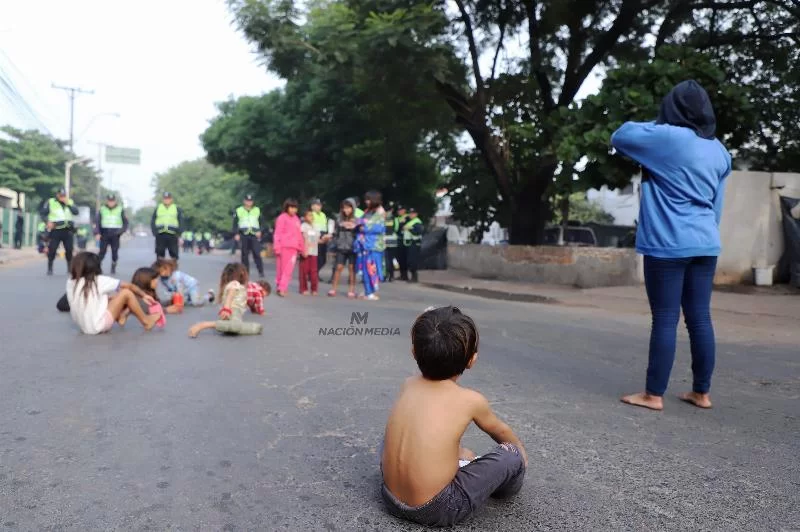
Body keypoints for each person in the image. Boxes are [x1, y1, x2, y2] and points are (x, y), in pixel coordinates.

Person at [611, 80, 732, 411]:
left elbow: (620, 135)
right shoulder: (720, 150)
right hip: (706, 242)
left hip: (667, 243)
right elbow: (716, 206)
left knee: (665, 317)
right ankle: (702, 392)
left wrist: (662, 122)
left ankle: (653, 395)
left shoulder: (666, 137)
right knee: (699, 317)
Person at [380, 306, 527, 526]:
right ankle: (505, 484)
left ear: (413, 352)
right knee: (510, 456)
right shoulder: (470, 400)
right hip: (437, 508)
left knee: (397, 437)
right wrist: (521, 456)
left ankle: (454, 458)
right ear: (472, 360)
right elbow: (501, 432)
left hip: (390, 496)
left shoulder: (408, 384)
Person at [65, 251, 161, 334]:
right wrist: (144, 295)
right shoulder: (98, 280)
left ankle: (121, 317)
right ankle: (146, 321)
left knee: (113, 296)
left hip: (83, 327)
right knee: (126, 293)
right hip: (98, 326)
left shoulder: (71, 282)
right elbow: (129, 286)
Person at [188, 263, 264, 338]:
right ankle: (204, 325)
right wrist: (226, 309)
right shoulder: (235, 284)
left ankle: (254, 328)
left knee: (230, 330)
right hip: (233, 311)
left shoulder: (231, 284)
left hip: (230, 312)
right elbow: (230, 295)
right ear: (241, 273)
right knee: (235, 327)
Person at [40, 187, 79, 275]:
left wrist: (68, 203)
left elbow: (76, 212)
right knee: (52, 249)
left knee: (69, 250)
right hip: (55, 230)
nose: (62, 197)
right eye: (60, 195)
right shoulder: (51, 202)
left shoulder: (70, 202)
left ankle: (69, 268)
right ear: (57, 195)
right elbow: (43, 213)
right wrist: (47, 222)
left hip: (68, 230)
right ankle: (50, 268)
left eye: (64, 195)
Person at [356, 190, 385, 300]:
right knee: (364, 269)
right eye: (366, 199)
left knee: (372, 269)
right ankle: (367, 290)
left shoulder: (380, 212)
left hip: (374, 245)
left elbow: (379, 228)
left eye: (369, 199)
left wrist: (365, 227)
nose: (367, 201)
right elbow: (359, 223)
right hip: (364, 245)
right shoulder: (367, 211)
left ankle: (371, 291)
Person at [273, 198, 304, 297]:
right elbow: (277, 233)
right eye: (291, 207)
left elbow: (299, 234)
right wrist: (277, 247)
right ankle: (280, 287)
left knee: (288, 269)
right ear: (287, 207)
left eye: (295, 208)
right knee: (281, 269)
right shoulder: (282, 218)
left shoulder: (296, 219)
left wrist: (301, 247)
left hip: (293, 248)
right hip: (282, 246)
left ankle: (282, 287)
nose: (293, 210)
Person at [328, 199, 358, 298]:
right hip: (341, 247)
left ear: (352, 208)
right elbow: (334, 234)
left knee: (351, 268)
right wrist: (333, 247)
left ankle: (351, 290)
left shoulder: (357, 220)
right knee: (338, 267)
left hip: (353, 247)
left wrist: (354, 227)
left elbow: (360, 234)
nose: (346, 210)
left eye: (349, 208)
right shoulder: (339, 219)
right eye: (344, 208)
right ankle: (333, 289)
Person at [233, 193, 265, 279]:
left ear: (253, 202)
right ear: (244, 201)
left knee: (257, 253)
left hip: (254, 234)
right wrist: (236, 233)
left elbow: (262, 222)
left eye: (250, 201)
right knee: (244, 255)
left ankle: (261, 270)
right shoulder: (239, 210)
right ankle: (245, 272)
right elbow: (235, 223)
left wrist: (260, 231)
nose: (249, 202)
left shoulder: (257, 210)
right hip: (243, 234)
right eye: (247, 201)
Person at [96, 194, 129, 274]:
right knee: (102, 252)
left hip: (115, 234)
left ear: (115, 201)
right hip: (104, 233)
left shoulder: (120, 209)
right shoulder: (102, 209)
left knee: (115, 252)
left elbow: (125, 222)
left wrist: (121, 231)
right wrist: (97, 233)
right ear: (107, 201)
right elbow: (97, 222)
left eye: (112, 201)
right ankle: (97, 267)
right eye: (109, 201)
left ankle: (113, 266)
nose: (111, 202)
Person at [150, 191, 183, 259]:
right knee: (160, 252)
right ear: (163, 199)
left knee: (174, 253)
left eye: (168, 198)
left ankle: (173, 268)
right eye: (165, 198)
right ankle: (160, 268)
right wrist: (154, 231)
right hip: (160, 234)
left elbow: (181, 221)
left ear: (171, 199)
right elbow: (153, 220)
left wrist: (179, 233)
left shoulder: (176, 208)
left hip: (173, 234)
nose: (166, 200)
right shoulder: (158, 208)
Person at [299, 209, 321, 295]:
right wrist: (303, 250)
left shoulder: (316, 226)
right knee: (304, 271)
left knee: (314, 271)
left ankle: (314, 289)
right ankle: (303, 288)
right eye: (308, 215)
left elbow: (318, 240)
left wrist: (325, 239)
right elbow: (301, 239)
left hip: (314, 252)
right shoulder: (303, 226)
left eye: (312, 215)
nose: (310, 217)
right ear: (304, 217)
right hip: (305, 252)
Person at [402, 208, 424, 283]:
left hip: (415, 244)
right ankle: (412, 276)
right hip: (409, 244)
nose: (411, 215)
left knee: (412, 261)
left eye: (412, 213)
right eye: (410, 213)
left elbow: (418, 232)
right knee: (409, 261)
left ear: (416, 214)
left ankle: (414, 277)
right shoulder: (410, 222)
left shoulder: (417, 222)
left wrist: (409, 229)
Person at [310, 199, 330, 275]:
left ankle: (315, 272)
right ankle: (313, 274)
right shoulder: (310, 215)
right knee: (316, 258)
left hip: (323, 237)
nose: (319, 207)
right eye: (317, 205)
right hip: (315, 237)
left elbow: (325, 227)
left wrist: (327, 235)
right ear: (312, 207)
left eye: (320, 205)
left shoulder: (323, 215)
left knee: (323, 259)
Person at [384, 203, 397, 281]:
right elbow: (396, 228)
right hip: (392, 239)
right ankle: (391, 275)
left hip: (384, 239)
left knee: (385, 258)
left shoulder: (383, 218)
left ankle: (386, 275)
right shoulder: (394, 218)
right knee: (391, 258)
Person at [395, 205, 409, 281]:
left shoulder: (407, 218)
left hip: (405, 241)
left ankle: (405, 275)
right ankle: (402, 275)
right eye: (399, 210)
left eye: (401, 210)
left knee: (404, 259)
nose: (400, 211)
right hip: (399, 240)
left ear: (404, 210)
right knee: (400, 259)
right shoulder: (397, 219)